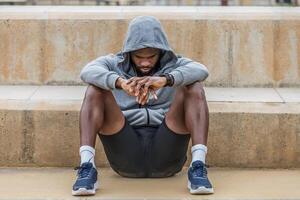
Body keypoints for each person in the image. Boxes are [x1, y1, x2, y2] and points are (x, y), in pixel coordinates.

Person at [72, 15, 213, 196]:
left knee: (194, 87)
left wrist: (166, 80)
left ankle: (198, 166)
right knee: (95, 90)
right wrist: (120, 83)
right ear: (128, 53)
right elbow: (87, 71)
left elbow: (201, 70)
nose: (145, 62)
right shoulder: (114, 63)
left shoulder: (174, 64)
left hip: (167, 148)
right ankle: (86, 167)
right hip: (125, 149)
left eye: (151, 56)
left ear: (161, 52)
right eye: (139, 57)